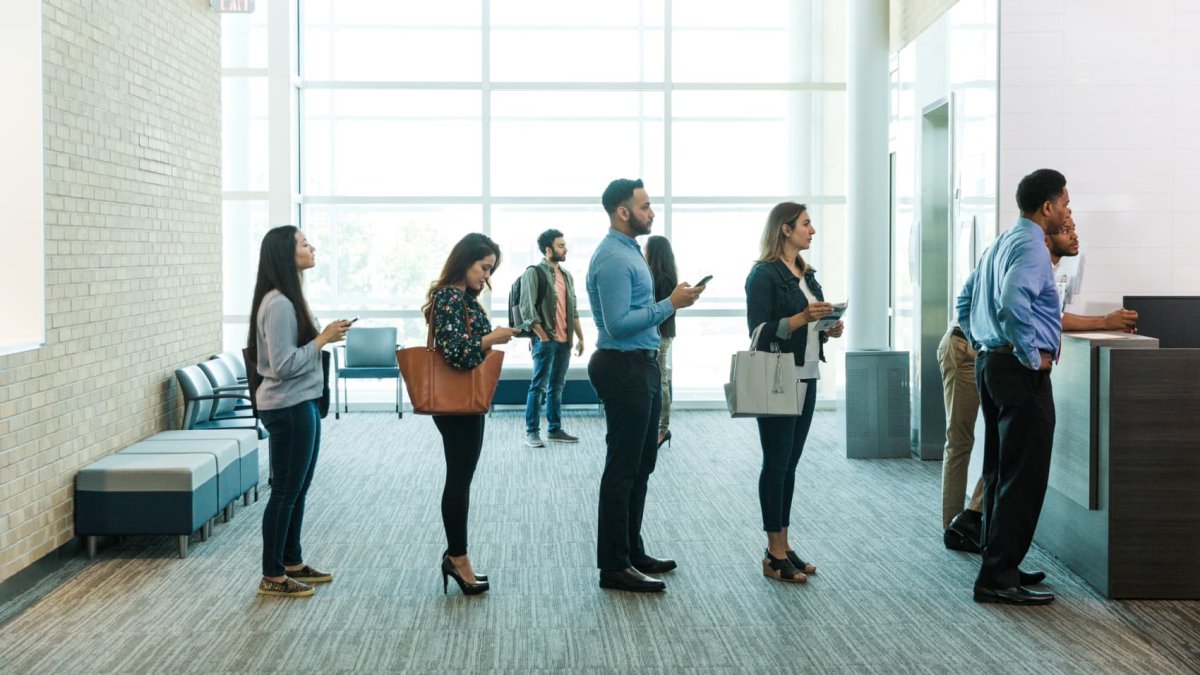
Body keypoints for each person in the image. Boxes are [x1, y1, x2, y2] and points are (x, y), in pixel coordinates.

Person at [940, 214, 1139, 556]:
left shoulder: (1039, 262)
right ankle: (954, 530)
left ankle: (979, 526)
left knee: (1003, 450)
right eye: (1066, 228)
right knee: (962, 440)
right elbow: (1007, 308)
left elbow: (1042, 317)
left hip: (992, 351)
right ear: (1047, 235)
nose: (1074, 234)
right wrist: (1015, 351)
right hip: (966, 347)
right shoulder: (1025, 255)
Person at [957, 168, 1068, 606]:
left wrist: (982, 340)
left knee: (1001, 472)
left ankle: (1001, 564)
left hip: (993, 366)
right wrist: (1027, 354)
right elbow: (1010, 302)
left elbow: (964, 300)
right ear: (1047, 207)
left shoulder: (1002, 242)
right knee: (1023, 477)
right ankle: (997, 577)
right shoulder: (1034, 247)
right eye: (1065, 204)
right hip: (1018, 372)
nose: (1068, 212)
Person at [587, 178, 704, 593]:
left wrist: (669, 304)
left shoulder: (630, 251)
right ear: (623, 212)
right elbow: (618, 325)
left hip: (642, 364)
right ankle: (614, 565)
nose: (652, 212)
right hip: (623, 366)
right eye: (645, 206)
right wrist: (670, 304)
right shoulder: (613, 258)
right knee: (622, 470)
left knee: (641, 466)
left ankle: (631, 552)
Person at [248, 225, 350, 597]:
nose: (313, 247)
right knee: (285, 492)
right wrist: (323, 339)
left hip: (302, 402)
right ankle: (272, 575)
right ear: (286, 254)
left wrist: (323, 337)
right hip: (287, 406)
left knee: (298, 489)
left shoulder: (291, 298)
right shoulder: (278, 303)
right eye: (305, 243)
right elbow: (282, 365)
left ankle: (292, 562)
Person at [745, 202, 844, 584]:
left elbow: (810, 324)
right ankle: (773, 552)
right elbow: (758, 331)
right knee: (776, 463)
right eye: (805, 223)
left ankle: (784, 545)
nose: (812, 230)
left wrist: (828, 326)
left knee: (790, 464)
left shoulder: (807, 273)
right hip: (778, 374)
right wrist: (804, 318)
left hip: (807, 373)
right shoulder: (763, 275)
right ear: (785, 229)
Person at [421, 233, 520, 596]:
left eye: (491, 270)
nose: (486, 276)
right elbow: (458, 354)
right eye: (484, 267)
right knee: (459, 480)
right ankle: (457, 558)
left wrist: (492, 336)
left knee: (461, 477)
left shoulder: (461, 298)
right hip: (456, 404)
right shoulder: (449, 297)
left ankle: (458, 555)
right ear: (465, 261)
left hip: (465, 401)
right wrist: (491, 339)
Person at [519, 229, 584, 447]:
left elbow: (573, 310)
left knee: (556, 386)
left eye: (565, 245)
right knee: (538, 386)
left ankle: (554, 429)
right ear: (548, 250)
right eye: (561, 245)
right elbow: (527, 309)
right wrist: (542, 336)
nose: (566, 249)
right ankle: (532, 432)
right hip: (545, 340)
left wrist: (580, 337)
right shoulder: (534, 273)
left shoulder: (567, 276)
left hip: (565, 341)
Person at [1046, 216, 1138, 332]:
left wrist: (1110, 325)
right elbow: (1048, 318)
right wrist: (1105, 322)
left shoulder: (1053, 268)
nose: (1074, 236)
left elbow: (1056, 316)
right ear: (1045, 239)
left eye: (1073, 229)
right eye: (1065, 230)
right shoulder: (1036, 270)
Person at [644, 235, 677, 449]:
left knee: (661, 380)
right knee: (658, 379)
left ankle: (663, 430)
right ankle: (658, 427)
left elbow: (663, 311)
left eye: (647, 248)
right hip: (660, 334)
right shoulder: (662, 275)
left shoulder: (662, 278)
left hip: (661, 334)